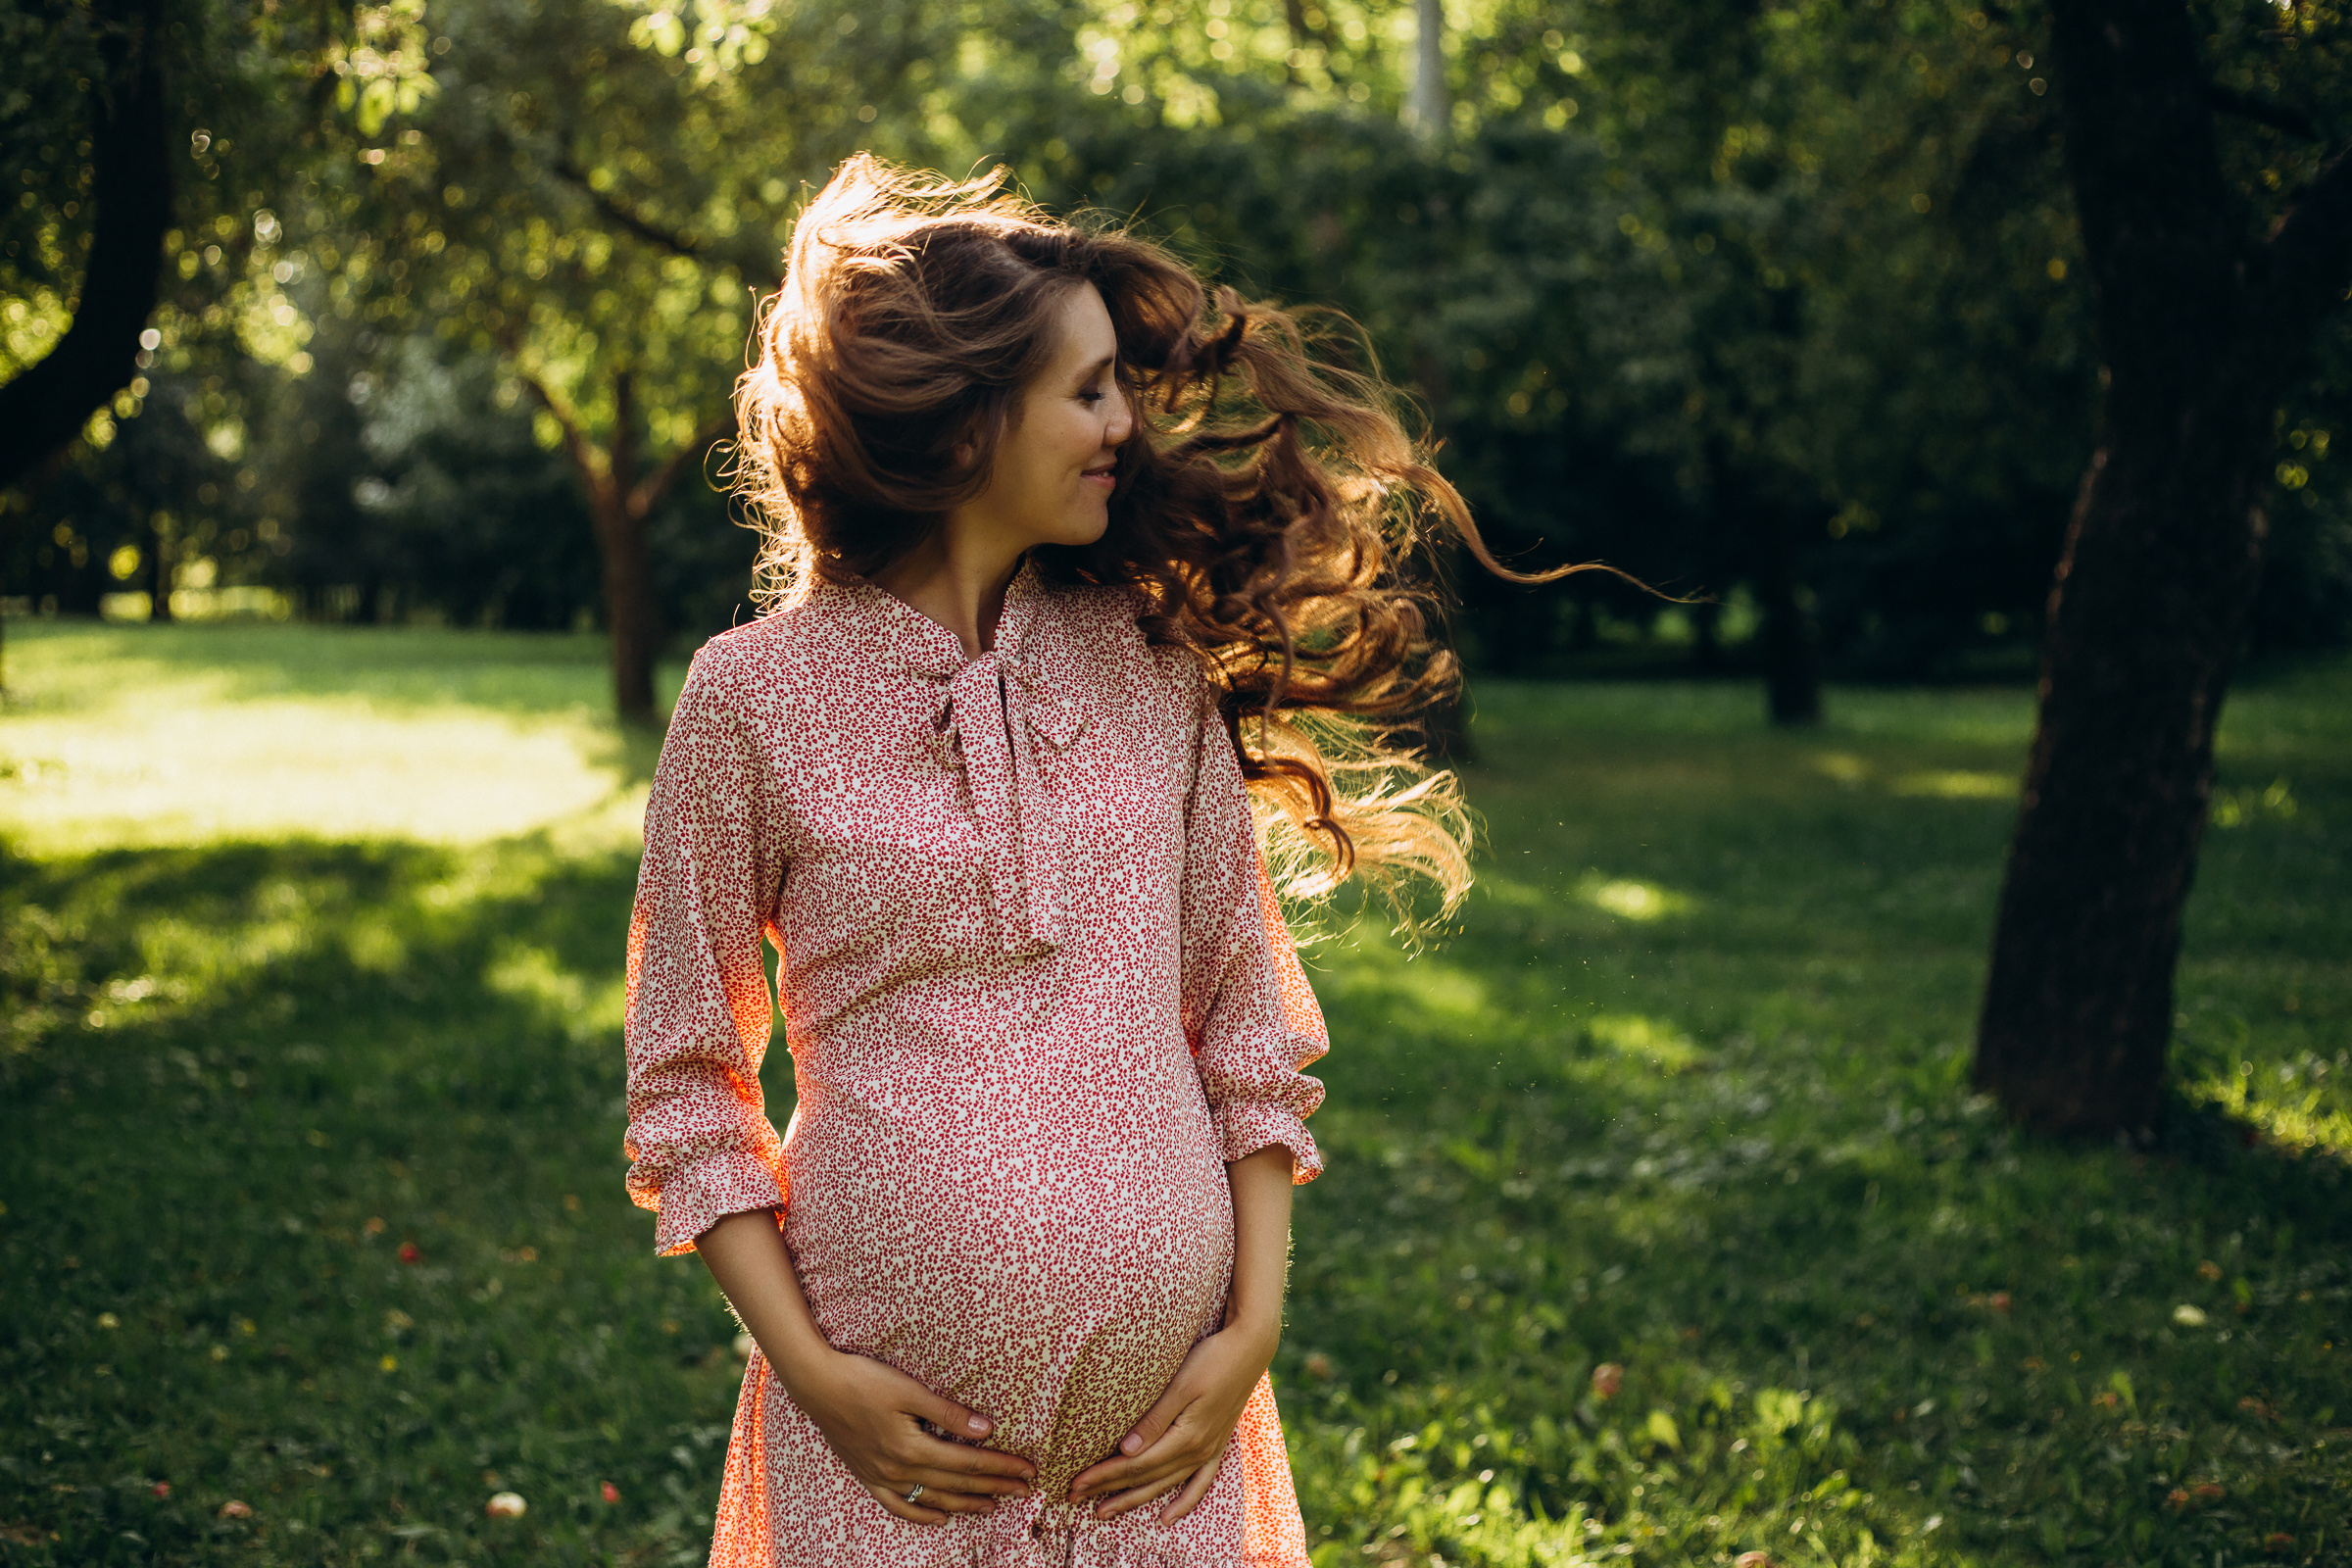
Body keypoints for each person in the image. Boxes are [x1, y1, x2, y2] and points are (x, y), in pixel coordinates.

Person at [621, 154, 1562, 1568]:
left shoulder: (1148, 669)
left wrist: (1250, 1334)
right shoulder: (750, 700)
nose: (1123, 422)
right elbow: (688, 1082)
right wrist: (823, 1386)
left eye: (1121, 382)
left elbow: (1244, 1021)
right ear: (960, 425)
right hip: (889, 1490)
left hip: (1160, 1481)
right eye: (1086, 390)